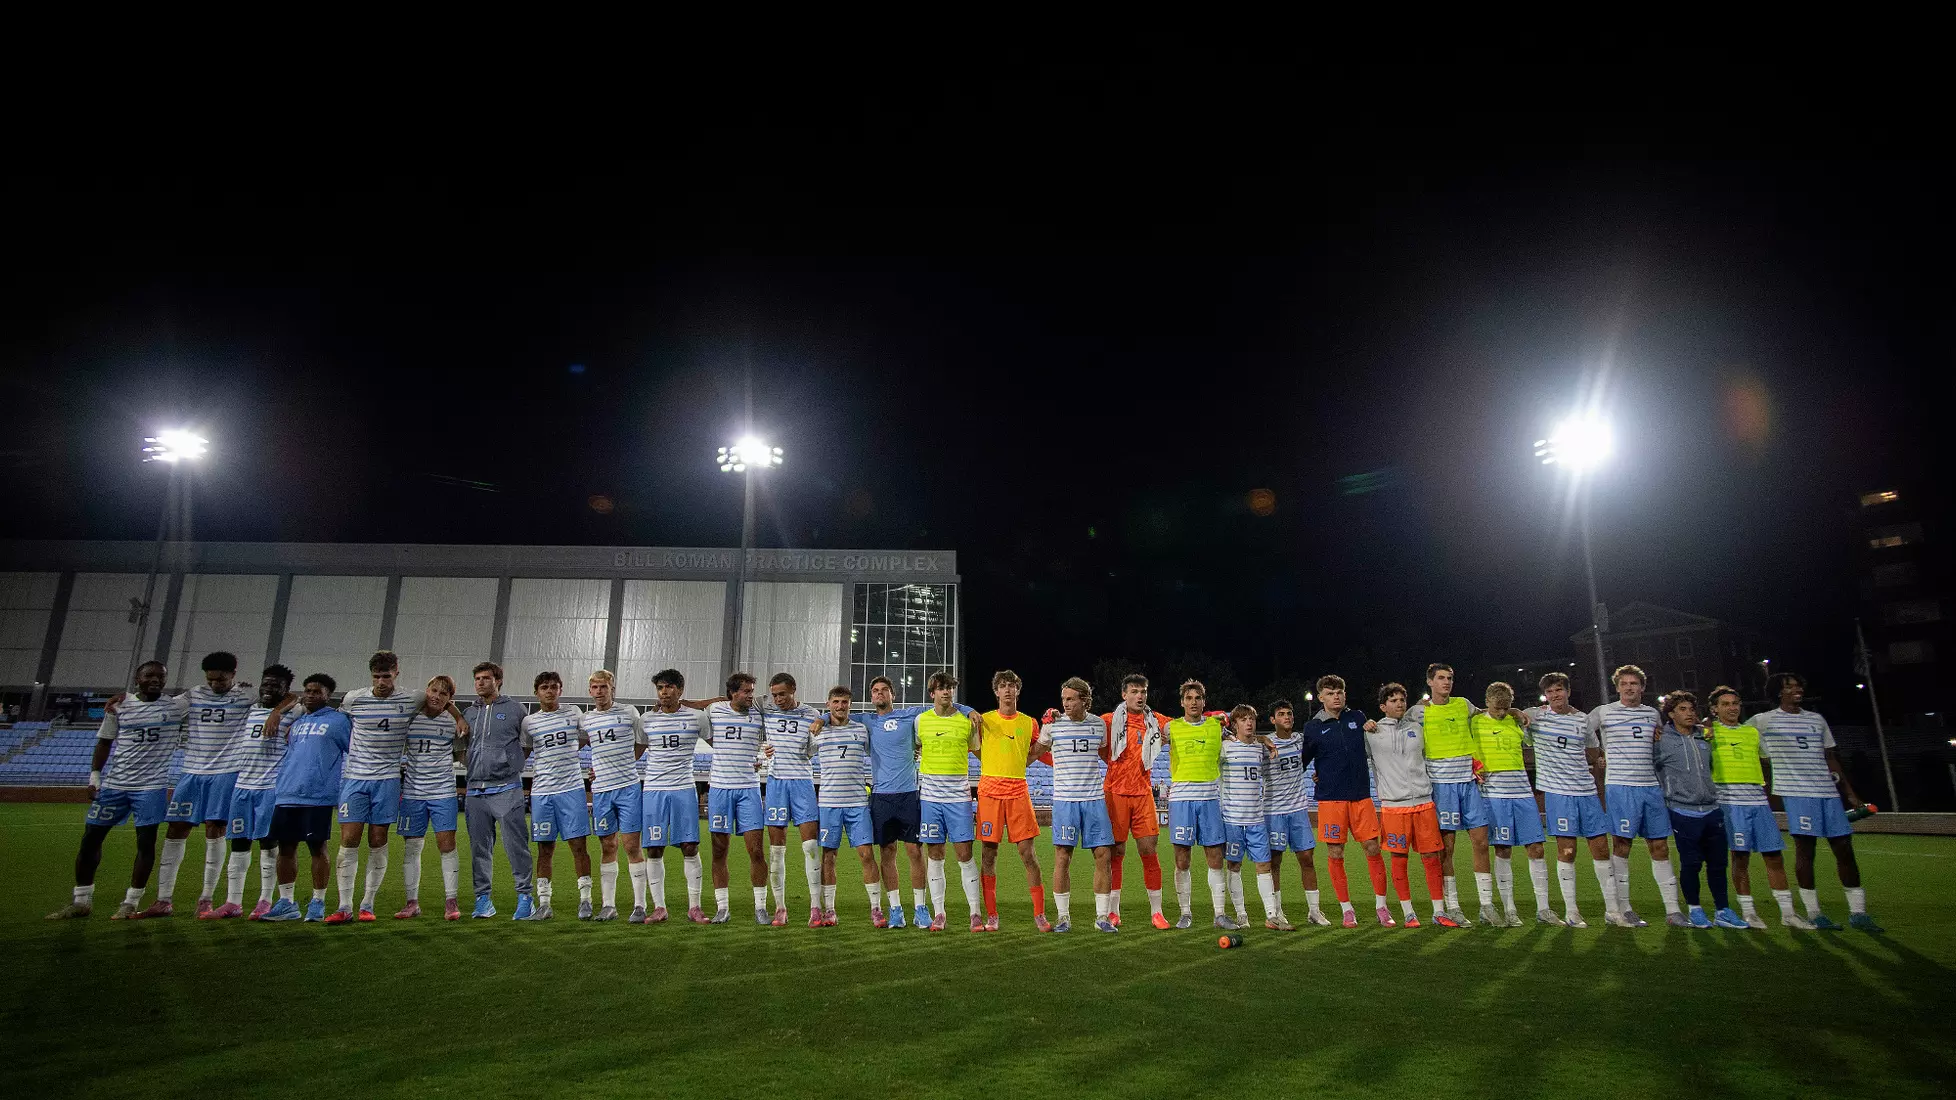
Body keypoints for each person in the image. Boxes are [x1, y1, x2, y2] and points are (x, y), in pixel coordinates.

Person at [105, 651, 256, 919]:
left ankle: (206, 898)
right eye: (210, 680)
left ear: (233, 675)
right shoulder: (193, 695)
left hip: (227, 771)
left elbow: (287, 698)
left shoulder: (247, 696)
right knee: (176, 829)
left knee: (215, 830)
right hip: (191, 772)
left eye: (220, 680)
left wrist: (279, 709)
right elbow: (157, 705)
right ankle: (163, 900)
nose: (215, 685)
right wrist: (126, 699)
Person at [47, 660, 188, 920]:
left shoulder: (177, 705)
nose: (155, 679)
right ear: (138, 678)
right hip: (115, 784)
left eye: (161, 676)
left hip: (151, 787)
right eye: (149, 675)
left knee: (145, 844)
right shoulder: (120, 706)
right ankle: (81, 901)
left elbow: (209, 691)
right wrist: (95, 777)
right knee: (91, 839)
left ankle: (130, 903)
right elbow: (104, 743)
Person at [330, 650, 461, 923]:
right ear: (371, 676)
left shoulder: (410, 699)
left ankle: (367, 904)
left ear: (396, 674)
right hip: (356, 778)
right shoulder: (354, 699)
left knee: (378, 840)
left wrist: (458, 716)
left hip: (389, 781)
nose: (381, 682)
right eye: (377, 676)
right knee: (349, 840)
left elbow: (441, 700)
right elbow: (338, 723)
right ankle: (344, 906)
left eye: (386, 676)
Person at [1751, 673, 1881, 931]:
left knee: (1844, 848)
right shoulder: (1762, 721)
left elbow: (1830, 757)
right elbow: (1739, 738)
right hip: (1797, 793)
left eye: (1799, 685)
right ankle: (1813, 912)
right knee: (1805, 850)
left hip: (1828, 792)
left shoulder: (1816, 719)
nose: (1797, 689)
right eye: (1790, 686)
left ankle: (1858, 912)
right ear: (1778, 692)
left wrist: (1850, 792)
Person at [862, 675, 965, 930]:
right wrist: (820, 718)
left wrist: (971, 711)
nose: (879, 694)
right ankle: (895, 908)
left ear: (892, 695)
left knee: (914, 851)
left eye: (884, 690)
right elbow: (835, 716)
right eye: (875, 691)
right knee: (887, 852)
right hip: (881, 797)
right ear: (871, 696)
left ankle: (920, 907)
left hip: (909, 794)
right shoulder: (865, 720)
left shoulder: (911, 716)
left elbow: (950, 706)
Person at [1703, 685, 1809, 929]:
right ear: (1715, 709)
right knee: (1740, 858)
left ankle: (1788, 913)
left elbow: (1767, 760)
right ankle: (1749, 912)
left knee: (1774, 856)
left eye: (1735, 703)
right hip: (1730, 802)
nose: (1732, 708)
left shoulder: (1752, 732)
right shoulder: (1709, 732)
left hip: (1758, 801)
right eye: (1726, 704)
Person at [1523, 672, 1619, 928]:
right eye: (1550, 692)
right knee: (1567, 850)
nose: (1555, 696)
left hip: (1586, 793)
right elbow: (1508, 712)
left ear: (1567, 691)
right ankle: (1572, 911)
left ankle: (1613, 910)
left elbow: (1592, 752)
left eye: (1559, 690)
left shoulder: (1582, 720)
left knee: (1600, 848)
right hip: (1558, 793)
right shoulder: (1536, 716)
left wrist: (1594, 777)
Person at [1403, 663, 1496, 927]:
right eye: (1441, 678)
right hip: (1441, 787)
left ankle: (1487, 905)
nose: (1447, 682)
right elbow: (1395, 726)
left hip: (1468, 784)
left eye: (1450, 678)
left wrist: (1510, 709)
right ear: (1430, 682)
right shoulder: (1417, 712)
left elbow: (1487, 714)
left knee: (1481, 842)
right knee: (1447, 849)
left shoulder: (1463, 705)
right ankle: (1452, 907)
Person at [1590, 664, 1679, 928]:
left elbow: (1660, 744)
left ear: (1642, 687)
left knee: (1660, 846)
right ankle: (1624, 907)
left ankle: (1673, 910)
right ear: (1617, 688)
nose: (1630, 688)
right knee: (1622, 846)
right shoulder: (1603, 712)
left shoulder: (1652, 715)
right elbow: (1579, 732)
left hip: (1650, 788)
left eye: (1634, 684)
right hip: (1620, 787)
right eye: (1625, 684)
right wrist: (1598, 755)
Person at [1652, 691, 1749, 929]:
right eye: (1682, 709)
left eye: (1691, 709)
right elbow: (1651, 767)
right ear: (1671, 714)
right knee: (1691, 863)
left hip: (1712, 809)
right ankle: (1695, 909)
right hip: (1682, 810)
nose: (1689, 713)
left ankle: (1723, 910)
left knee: (1718, 864)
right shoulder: (1661, 739)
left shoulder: (1705, 737)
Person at [262, 674, 353, 922]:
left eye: (317, 691)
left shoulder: (339, 721)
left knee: (317, 848)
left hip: (318, 796)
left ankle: (317, 902)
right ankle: (286, 902)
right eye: (308, 690)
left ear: (328, 695)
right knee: (285, 848)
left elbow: (353, 752)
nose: (311, 695)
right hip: (287, 793)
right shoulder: (299, 721)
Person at [1303, 675, 1390, 928]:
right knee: (1335, 852)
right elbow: (1303, 762)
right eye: (1330, 693)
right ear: (1321, 698)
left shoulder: (1358, 718)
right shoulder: (1313, 727)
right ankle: (1346, 909)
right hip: (1331, 800)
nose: (1336, 696)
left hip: (1361, 797)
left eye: (1339, 691)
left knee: (1373, 848)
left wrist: (1373, 726)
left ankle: (1381, 907)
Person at [1365, 683, 1449, 927]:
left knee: (1432, 857)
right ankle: (1408, 913)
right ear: (1383, 706)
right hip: (1394, 806)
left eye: (1402, 699)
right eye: (1393, 700)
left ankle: (1439, 912)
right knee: (1399, 859)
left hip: (1423, 803)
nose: (1399, 703)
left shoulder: (1417, 728)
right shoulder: (1372, 732)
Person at [1470, 682, 1554, 926]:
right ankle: (1509, 909)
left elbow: (1531, 732)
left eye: (1506, 708)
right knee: (1503, 849)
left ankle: (1544, 909)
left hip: (1522, 793)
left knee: (1537, 848)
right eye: (1497, 709)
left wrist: (1516, 712)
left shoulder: (1515, 720)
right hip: (1493, 795)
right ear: (1487, 702)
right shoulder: (1475, 722)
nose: (1501, 713)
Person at [975, 669, 1051, 932]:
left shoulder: (1028, 723)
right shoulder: (983, 721)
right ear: (996, 691)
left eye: (1012, 686)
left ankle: (1039, 914)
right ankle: (992, 915)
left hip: (1018, 791)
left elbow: (1034, 753)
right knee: (988, 854)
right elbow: (974, 747)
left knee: (1028, 854)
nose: (1007, 690)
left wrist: (1048, 734)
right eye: (1002, 686)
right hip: (990, 793)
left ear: (1018, 690)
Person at [914, 670, 987, 931]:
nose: (946, 692)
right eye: (941, 688)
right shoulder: (920, 721)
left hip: (959, 798)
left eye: (950, 688)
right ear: (932, 693)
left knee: (965, 855)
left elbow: (980, 754)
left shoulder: (967, 722)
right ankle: (940, 913)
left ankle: (975, 913)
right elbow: (912, 747)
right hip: (931, 799)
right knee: (935, 855)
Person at [463, 661, 535, 920]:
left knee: (516, 846)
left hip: (506, 787)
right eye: (477, 678)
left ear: (498, 681)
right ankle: (483, 900)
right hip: (475, 790)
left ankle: (525, 897)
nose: (480, 682)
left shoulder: (516, 710)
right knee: (479, 848)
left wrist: (509, 762)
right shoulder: (469, 712)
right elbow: (462, 745)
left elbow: (525, 745)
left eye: (486, 678)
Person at [1099, 673, 1171, 929]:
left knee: (1149, 851)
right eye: (1134, 691)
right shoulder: (1108, 721)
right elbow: (1084, 728)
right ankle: (1113, 911)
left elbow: (1184, 727)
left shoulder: (1156, 720)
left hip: (1142, 794)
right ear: (1124, 695)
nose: (1139, 696)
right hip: (1115, 793)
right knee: (1116, 853)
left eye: (1143, 692)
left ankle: (1157, 912)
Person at [225, 666, 297, 919]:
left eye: (275, 686)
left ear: (285, 690)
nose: (268, 689)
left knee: (269, 845)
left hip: (271, 788)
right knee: (239, 843)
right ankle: (232, 902)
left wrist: (278, 711)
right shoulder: (251, 709)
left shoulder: (293, 712)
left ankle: (265, 900)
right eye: (265, 684)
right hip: (242, 786)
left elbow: (297, 698)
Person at [1044, 677, 1116, 933]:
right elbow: (1036, 750)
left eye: (1071, 699)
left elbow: (1105, 753)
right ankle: (1063, 917)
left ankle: (1102, 918)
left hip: (1094, 799)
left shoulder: (1098, 725)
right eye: (1063, 699)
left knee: (1103, 855)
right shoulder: (1052, 726)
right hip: (1065, 800)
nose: (1065, 704)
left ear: (1084, 700)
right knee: (1063, 857)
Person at [395, 675, 466, 920]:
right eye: (433, 690)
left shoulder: (452, 723)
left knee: (447, 846)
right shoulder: (410, 718)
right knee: (412, 847)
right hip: (413, 793)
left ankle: (451, 901)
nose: (436, 696)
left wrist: (457, 716)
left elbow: (461, 756)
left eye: (443, 694)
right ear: (426, 690)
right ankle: (411, 902)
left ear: (449, 700)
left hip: (443, 792)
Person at [639, 669, 706, 923]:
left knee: (690, 846)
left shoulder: (697, 718)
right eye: (660, 688)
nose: (663, 692)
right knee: (654, 848)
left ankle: (695, 907)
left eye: (668, 687)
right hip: (654, 790)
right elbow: (635, 752)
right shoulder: (646, 720)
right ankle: (659, 907)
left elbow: (718, 743)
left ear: (680, 690)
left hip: (683, 788)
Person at [703, 672, 770, 924]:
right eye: (746, 691)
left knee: (756, 851)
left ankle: (761, 907)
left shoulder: (758, 714)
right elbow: (700, 717)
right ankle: (722, 907)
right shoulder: (715, 711)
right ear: (732, 692)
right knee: (719, 851)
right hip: (720, 789)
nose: (751, 695)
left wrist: (761, 759)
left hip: (749, 789)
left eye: (752, 691)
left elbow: (769, 743)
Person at [1166, 679, 1233, 930]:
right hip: (1182, 799)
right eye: (1189, 698)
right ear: (1182, 702)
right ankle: (1185, 913)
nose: (1193, 703)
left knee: (1215, 856)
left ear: (1204, 702)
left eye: (1198, 698)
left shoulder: (1217, 728)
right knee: (1182, 858)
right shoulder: (1170, 728)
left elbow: (1241, 729)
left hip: (1210, 799)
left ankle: (1219, 914)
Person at [523, 671, 589, 920]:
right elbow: (525, 752)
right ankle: (544, 903)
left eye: (554, 687)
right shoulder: (529, 722)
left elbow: (585, 740)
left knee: (578, 846)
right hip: (542, 792)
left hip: (571, 789)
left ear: (560, 690)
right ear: (537, 692)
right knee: (544, 848)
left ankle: (585, 900)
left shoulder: (574, 714)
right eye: (544, 687)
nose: (549, 691)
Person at [809, 686, 877, 926]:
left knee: (867, 855)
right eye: (836, 702)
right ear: (828, 704)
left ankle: (876, 909)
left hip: (858, 803)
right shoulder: (818, 731)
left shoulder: (861, 730)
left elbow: (877, 753)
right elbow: (802, 754)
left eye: (844, 702)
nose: (840, 706)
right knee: (829, 857)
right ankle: (829, 910)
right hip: (829, 804)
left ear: (851, 704)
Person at [584, 670, 648, 922]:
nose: (599, 692)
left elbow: (641, 743)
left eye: (604, 687)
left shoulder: (629, 713)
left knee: (632, 845)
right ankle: (608, 905)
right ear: (590, 691)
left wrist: (624, 763)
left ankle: (640, 905)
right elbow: (579, 744)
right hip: (601, 791)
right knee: (607, 845)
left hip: (628, 788)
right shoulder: (586, 719)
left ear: (613, 689)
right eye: (595, 687)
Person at [760, 672, 823, 928]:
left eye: (783, 694)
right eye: (774, 695)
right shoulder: (766, 708)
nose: (778, 699)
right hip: (776, 783)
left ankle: (816, 908)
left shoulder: (811, 715)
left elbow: (813, 749)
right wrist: (763, 749)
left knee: (810, 847)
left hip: (802, 783)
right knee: (776, 851)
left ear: (794, 690)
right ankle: (780, 908)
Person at [1265, 699, 1329, 927]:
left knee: (1307, 859)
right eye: (1281, 714)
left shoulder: (1300, 741)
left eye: (1289, 713)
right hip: (1273, 811)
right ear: (1273, 720)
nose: (1287, 717)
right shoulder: (1266, 744)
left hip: (1298, 809)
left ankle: (1314, 911)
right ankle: (1277, 911)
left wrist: (1320, 773)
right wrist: (1261, 739)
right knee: (1275, 862)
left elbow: (1320, 753)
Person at [1220, 704, 1283, 929]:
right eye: (1243, 719)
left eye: (1252, 719)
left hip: (1256, 820)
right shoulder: (1225, 748)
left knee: (1264, 866)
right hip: (1233, 820)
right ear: (1235, 724)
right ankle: (1241, 914)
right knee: (1234, 866)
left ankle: (1271, 914)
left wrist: (1264, 740)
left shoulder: (1260, 749)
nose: (1248, 723)